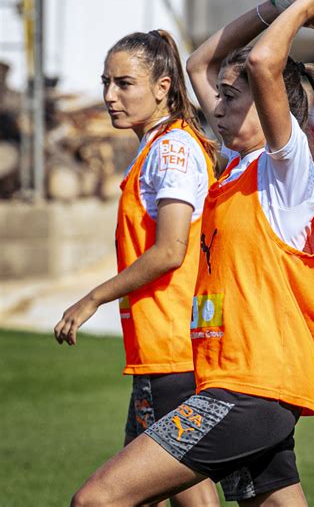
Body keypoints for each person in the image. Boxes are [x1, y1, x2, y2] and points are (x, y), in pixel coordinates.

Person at [69, 0, 314, 507]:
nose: (216, 106)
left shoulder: (288, 171)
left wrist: (305, 6)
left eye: (230, 98)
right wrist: (273, 6)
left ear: (274, 109)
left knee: (97, 500)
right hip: (239, 386)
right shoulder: (235, 170)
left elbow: (264, 61)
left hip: (249, 391)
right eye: (218, 97)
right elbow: (200, 62)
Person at [54, 29, 220, 507]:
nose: (110, 95)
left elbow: (171, 249)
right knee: (181, 488)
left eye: (124, 83)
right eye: (106, 82)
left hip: (172, 349)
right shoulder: (161, 146)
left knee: (108, 499)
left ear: (162, 87)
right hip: (168, 349)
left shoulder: (171, 151)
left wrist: (93, 297)